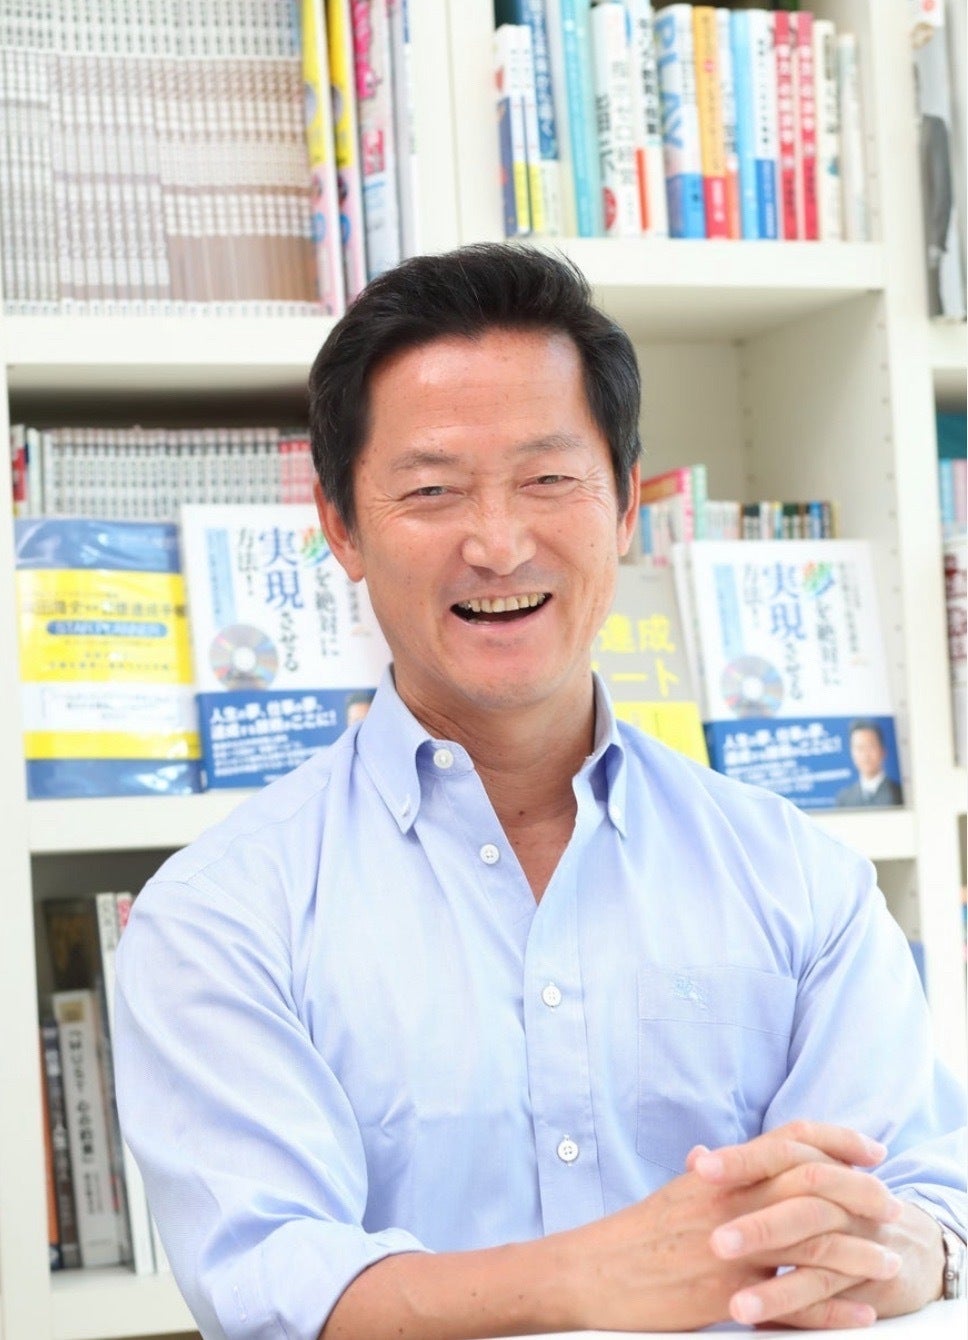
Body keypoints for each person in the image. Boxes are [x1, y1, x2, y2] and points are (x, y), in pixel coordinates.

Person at [113, 245, 966, 1340]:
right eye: (432, 490)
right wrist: (590, 1276)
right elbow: (272, 1285)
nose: (499, 543)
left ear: (625, 501)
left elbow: (920, 1193)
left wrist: (916, 1249)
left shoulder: (801, 879)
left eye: (549, 479)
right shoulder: (221, 915)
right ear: (340, 527)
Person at [835, 719, 904, 808]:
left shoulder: (900, 794)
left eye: (870, 746)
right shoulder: (844, 799)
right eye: (860, 748)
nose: (865, 755)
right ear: (852, 753)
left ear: (883, 751)